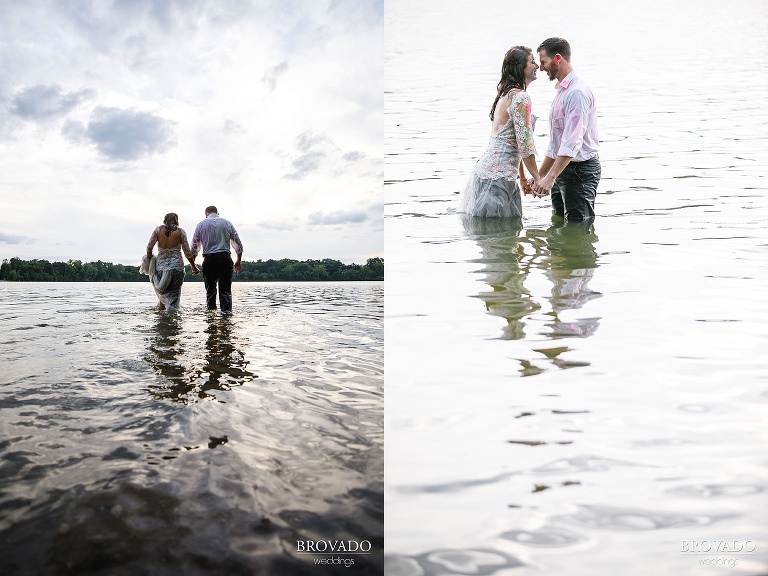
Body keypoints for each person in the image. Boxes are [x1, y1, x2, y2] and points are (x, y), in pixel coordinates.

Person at [457, 45, 545, 218]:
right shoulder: (521, 97)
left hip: (486, 176)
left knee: (498, 241)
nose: (537, 67)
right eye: (532, 62)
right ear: (521, 67)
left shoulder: (504, 95)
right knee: (502, 239)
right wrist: (538, 178)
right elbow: (525, 145)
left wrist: (522, 177)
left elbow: (514, 142)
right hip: (498, 183)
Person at [533, 37, 601, 221]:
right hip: (561, 167)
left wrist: (551, 177)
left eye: (543, 62)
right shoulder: (562, 92)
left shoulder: (576, 92)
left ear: (557, 58)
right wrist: (541, 175)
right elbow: (556, 144)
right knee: (557, 221)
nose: (541, 68)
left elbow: (572, 141)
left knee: (577, 228)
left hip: (580, 171)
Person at [190, 206, 244, 313]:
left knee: (210, 291)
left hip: (209, 260)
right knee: (225, 291)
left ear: (206, 213)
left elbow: (194, 246)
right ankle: (226, 319)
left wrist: (193, 264)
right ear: (217, 213)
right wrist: (238, 260)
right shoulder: (227, 223)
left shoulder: (201, 224)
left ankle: (211, 321)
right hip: (225, 259)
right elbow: (238, 243)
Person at [143, 212, 199, 312]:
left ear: (165, 220)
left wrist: (150, 259)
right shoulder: (181, 232)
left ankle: (162, 320)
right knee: (175, 294)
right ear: (176, 221)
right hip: (177, 267)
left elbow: (149, 247)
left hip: (161, 266)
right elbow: (187, 252)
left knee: (163, 294)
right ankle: (173, 320)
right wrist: (193, 266)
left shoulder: (158, 230)